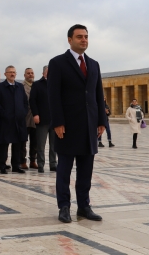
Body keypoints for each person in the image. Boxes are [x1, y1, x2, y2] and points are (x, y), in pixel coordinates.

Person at [48, 24, 106, 223]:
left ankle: (84, 206)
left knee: (86, 171)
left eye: (86, 37)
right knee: (64, 170)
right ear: (69, 39)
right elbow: (53, 95)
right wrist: (57, 122)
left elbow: (98, 94)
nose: (84, 40)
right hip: (67, 127)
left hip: (89, 126)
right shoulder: (57, 63)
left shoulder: (94, 64)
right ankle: (64, 206)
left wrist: (102, 121)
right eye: (79, 36)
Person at [0, 65, 27, 175]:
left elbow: (25, 102)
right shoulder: (0, 87)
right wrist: (4, 114)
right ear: (5, 74)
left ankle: (16, 166)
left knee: (17, 144)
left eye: (14, 72)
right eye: (10, 72)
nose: (12, 74)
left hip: (18, 121)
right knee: (4, 144)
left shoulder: (20, 87)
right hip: (5, 121)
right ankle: (2, 165)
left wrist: (23, 113)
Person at [29, 65, 57, 173]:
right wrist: (35, 114)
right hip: (42, 119)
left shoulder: (56, 84)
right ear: (43, 73)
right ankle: (40, 164)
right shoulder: (37, 84)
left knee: (54, 144)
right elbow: (32, 100)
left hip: (54, 119)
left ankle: (53, 164)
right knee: (41, 144)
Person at [20, 68, 38, 170]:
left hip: (35, 118)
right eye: (28, 73)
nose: (30, 75)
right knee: (23, 141)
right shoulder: (21, 86)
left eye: (32, 73)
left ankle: (33, 160)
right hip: (25, 117)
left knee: (35, 142)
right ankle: (22, 161)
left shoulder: (36, 86)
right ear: (24, 75)